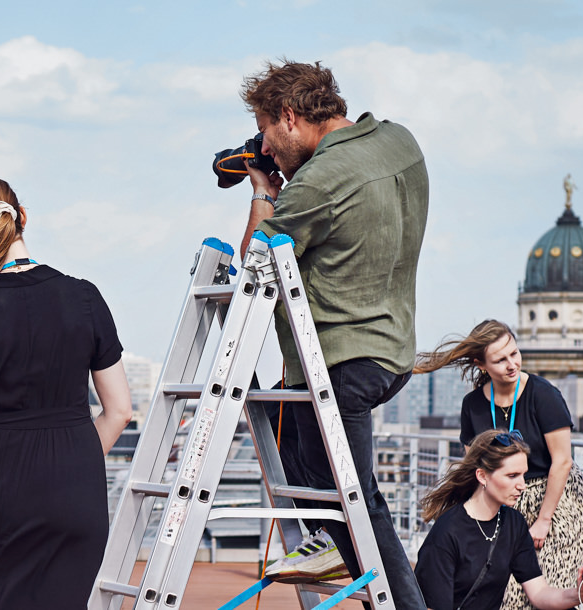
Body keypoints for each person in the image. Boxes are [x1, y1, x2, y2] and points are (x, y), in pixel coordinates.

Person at [238, 59, 431, 608]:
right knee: (293, 441)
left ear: (291, 117)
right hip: (392, 350)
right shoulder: (400, 142)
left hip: (339, 361)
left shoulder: (318, 181)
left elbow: (255, 265)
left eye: (268, 133)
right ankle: (327, 543)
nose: (267, 148)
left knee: (357, 508)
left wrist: (262, 191)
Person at [0, 175, 136, 610]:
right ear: (23, 218)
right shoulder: (85, 297)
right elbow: (119, 412)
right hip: (78, 492)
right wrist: (70, 462)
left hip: (2, 489)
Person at [410, 320, 583, 610]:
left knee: (544, 589)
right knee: (508, 597)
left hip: (553, 496)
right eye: (500, 359)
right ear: (481, 364)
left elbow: (563, 461)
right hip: (502, 496)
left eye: (514, 353)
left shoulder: (543, 394)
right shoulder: (473, 405)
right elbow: (475, 466)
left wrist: (543, 520)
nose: (511, 364)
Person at [415, 430, 583, 610]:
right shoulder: (447, 532)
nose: (522, 485)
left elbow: (539, 593)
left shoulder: (513, 523)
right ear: (482, 476)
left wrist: (579, 593)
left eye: (523, 475)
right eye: (512, 476)